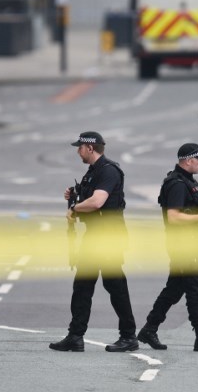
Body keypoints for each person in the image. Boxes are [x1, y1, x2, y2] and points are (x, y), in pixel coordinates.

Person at [50, 131, 138, 353]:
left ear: (90, 148)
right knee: (82, 286)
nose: (78, 151)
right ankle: (75, 336)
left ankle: (128, 336)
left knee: (115, 286)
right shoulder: (93, 173)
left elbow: (98, 202)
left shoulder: (109, 171)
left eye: (80, 147)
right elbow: (90, 197)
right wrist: (75, 195)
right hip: (94, 236)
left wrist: (75, 208)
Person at [137, 143, 198, 353]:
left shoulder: (189, 183)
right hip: (181, 246)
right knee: (195, 291)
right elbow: (174, 217)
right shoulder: (177, 184)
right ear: (187, 160)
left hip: (189, 244)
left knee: (174, 290)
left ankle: (149, 329)